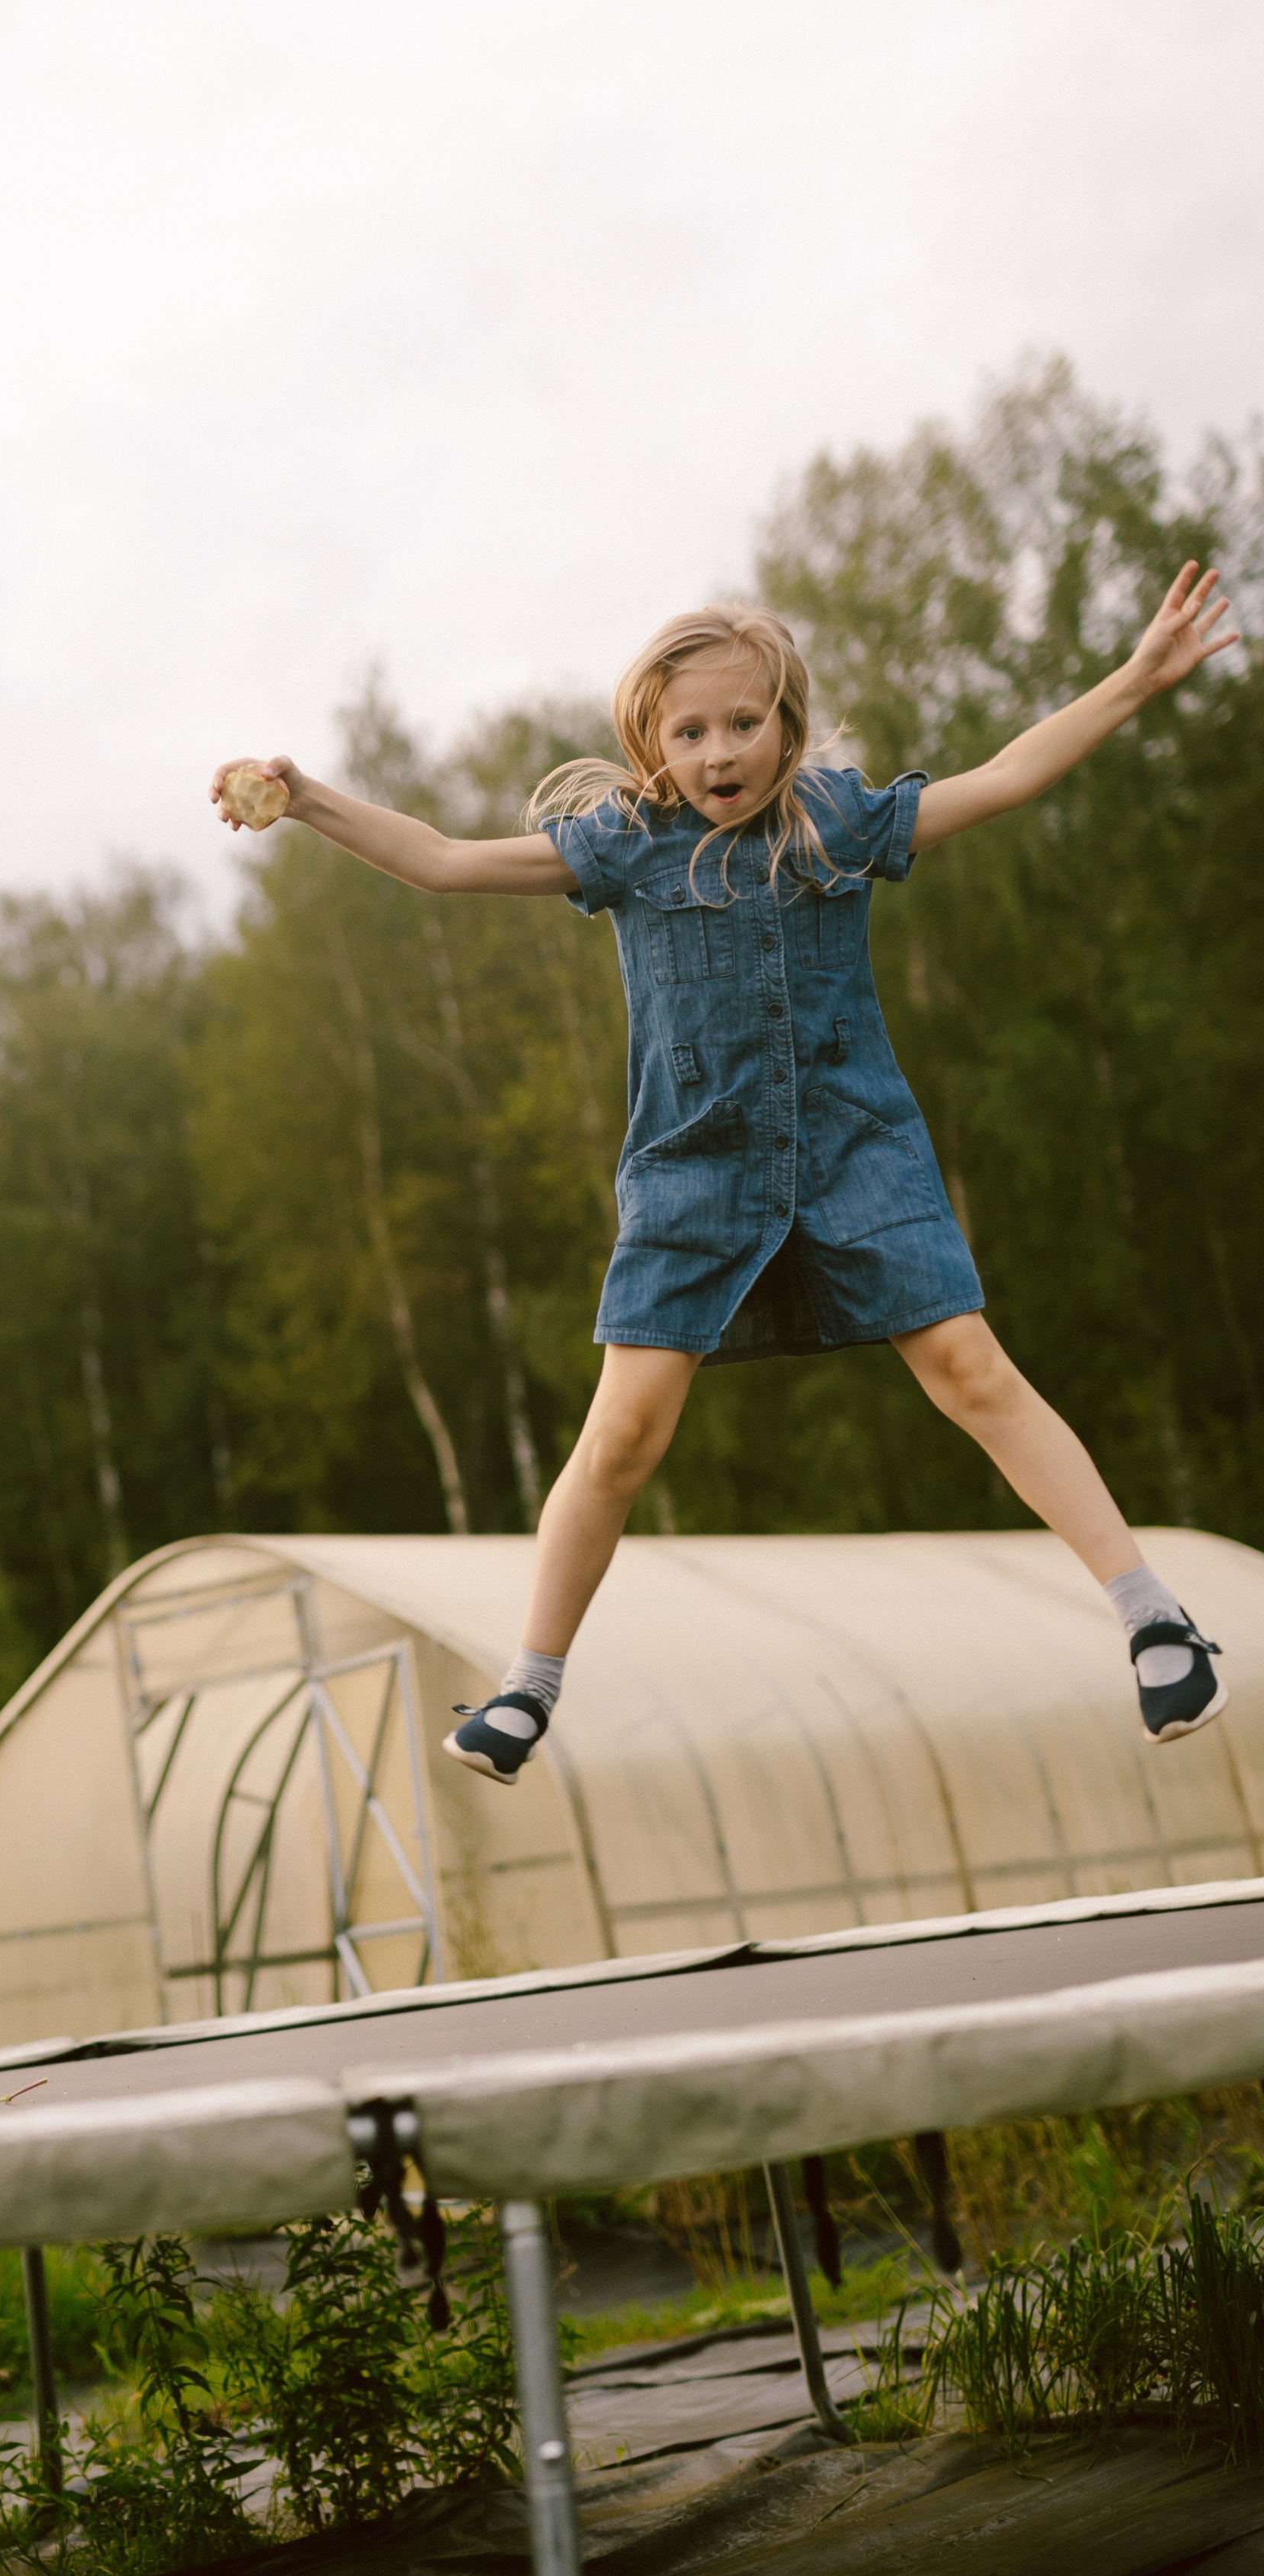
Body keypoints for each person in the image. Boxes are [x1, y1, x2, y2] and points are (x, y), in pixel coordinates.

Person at [212, 563, 1238, 1785]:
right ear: (651, 743)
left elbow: (1006, 776)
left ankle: (1152, 1615)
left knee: (974, 1370)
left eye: (743, 723)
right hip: (692, 1174)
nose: (720, 751)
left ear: (785, 726)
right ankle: (528, 1687)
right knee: (624, 1436)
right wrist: (307, 795)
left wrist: (1137, 677)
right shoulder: (626, 851)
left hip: (857, 1148)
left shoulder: (834, 825)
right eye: (689, 731)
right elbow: (440, 860)